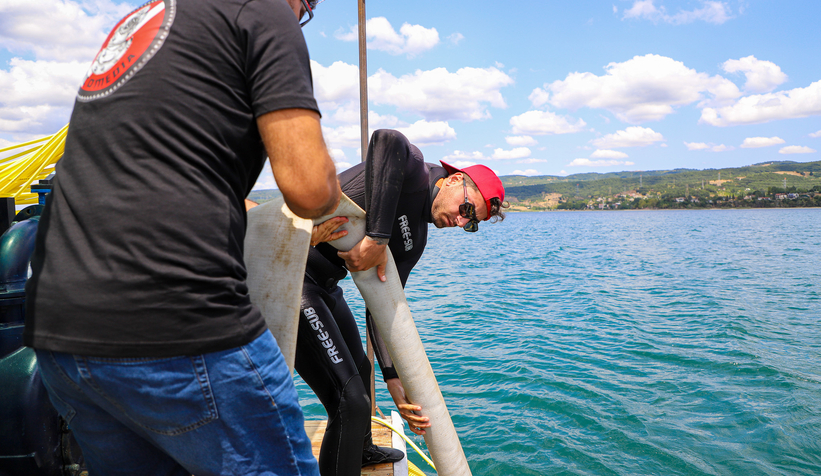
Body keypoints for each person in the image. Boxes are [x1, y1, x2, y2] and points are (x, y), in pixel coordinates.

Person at [24, 1, 337, 475]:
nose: (301, 13)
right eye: (308, 5)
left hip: (60, 335)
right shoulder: (263, 10)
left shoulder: (146, 18)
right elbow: (309, 190)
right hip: (176, 325)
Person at [295, 129, 507, 475]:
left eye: (471, 224)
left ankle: (360, 450)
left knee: (362, 372)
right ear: (455, 180)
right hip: (290, 277)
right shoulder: (414, 172)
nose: (461, 221)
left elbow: (385, 310)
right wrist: (378, 238)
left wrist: (395, 383)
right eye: (467, 209)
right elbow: (386, 139)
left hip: (323, 284)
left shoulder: (414, 242)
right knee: (350, 401)